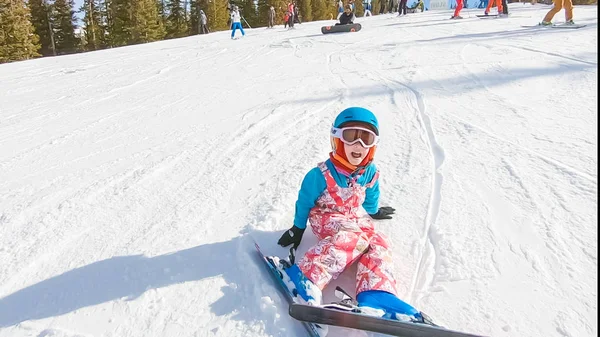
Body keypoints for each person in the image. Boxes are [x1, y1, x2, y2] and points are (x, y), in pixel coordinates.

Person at [276, 107, 426, 322]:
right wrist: (298, 228)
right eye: (351, 136)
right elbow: (304, 202)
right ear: (336, 139)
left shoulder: (370, 172)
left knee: (378, 241)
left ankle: (377, 295)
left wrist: (374, 212)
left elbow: (372, 194)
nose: (359, 145)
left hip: (351, 217)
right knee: (353, 237)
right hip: (325, 217)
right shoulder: (320, 174)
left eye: (366, 138)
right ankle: (304, 276)